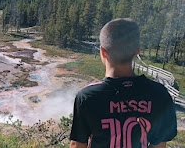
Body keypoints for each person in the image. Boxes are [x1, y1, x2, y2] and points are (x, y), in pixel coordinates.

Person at [70, 18, 177, 148]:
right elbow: (159, 144)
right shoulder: (159, 94)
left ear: (103, 52)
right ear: (137, 51)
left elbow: (77, 145)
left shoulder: (87, 96)